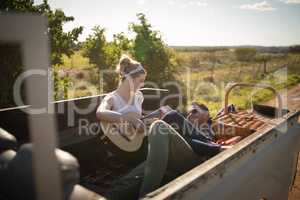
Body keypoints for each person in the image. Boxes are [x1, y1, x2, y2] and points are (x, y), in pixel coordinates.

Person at [96, 55, 226, 199]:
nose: (142, 85)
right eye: (140, 81)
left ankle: (210, 144)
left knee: (171, 116)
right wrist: (126, 118)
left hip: (140, 140)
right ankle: (212, 145)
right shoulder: (112, 97)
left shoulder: (138, 96)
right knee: (171, 119)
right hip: (128, 147)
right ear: (129, 79)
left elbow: (139, 123)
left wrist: (155, 115)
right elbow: (100, 112)